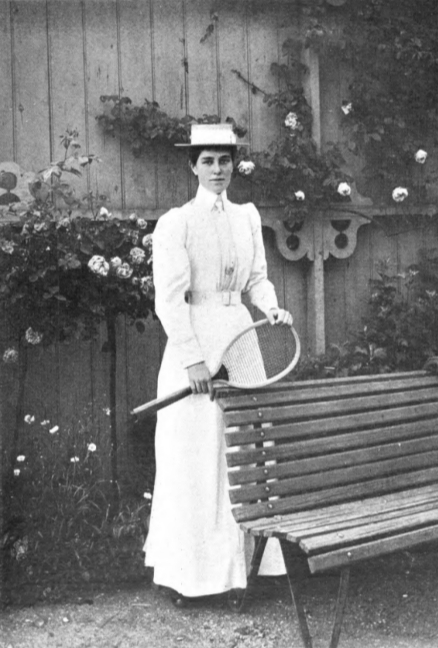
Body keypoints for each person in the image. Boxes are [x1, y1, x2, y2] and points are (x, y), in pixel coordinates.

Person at [144, 123, 293, 603]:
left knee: (244, 452)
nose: (217, 169)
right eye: (207, 161)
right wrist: (193, 361)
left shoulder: (246, 216)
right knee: (194, 457)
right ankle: (190, 579)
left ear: (234, 165)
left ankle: (243, 572)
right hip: (194, 344)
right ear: (193, 166)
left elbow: (257, 280)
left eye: (224, 160)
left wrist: (270, 308)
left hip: (240, 339)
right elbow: (169, 300)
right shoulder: (177, 223)